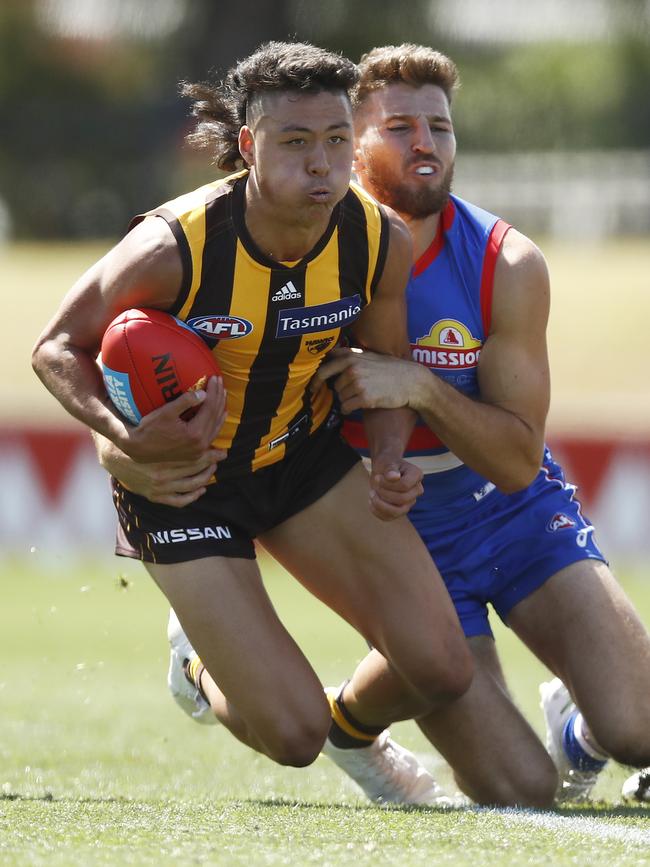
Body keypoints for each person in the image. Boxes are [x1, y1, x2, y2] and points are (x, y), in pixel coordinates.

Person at [31, 41, 472, 797]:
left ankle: (357, 735)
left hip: (301, 457)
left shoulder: (376, 238)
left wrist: (393, 456)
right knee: (292, 736)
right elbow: (54, 348)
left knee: (442, 665)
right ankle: (198, 667)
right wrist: (126, 438)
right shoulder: (174, 245)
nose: (322, 165)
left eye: (336, 141)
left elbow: (386, 365)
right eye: (295, 143)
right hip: (184, 482)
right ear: (247, 146)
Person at [311, 43, 650, 807]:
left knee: (642, 726)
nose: (426, 143)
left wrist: (420, 386)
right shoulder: (308, 253)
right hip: (399, 536)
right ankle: (344, 721)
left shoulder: (509, 262)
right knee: (521, 789)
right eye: (399, 126)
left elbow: (519, 462)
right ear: (352, 143)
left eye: (440, 125)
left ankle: (583, 730)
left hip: (510, 509)